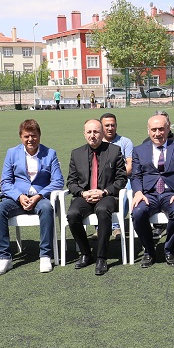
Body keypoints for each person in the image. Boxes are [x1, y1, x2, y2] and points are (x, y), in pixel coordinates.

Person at [0, 119, 63, 275]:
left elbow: (58, 181)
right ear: (21, 137)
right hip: (17, 199)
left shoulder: (50, 153)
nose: (30, 139)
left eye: (34, 135)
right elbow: (5, 182)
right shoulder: (12, 153)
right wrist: (19, 197)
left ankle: (45, 255)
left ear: (39, 135)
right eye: (26, 136)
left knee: (46, 208)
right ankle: (4, 257)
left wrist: (39, 196)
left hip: (40, 198)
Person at [128, 113, 174, 267]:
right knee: (137, 212)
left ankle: (169, 249)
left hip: (171, 193)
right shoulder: (139, 150)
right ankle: (149, 251)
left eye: (161, 129)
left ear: (168, 129)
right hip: (148, 194)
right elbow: (135, 176)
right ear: (148, 130)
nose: (158, 133)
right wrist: (138, 192)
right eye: (154, 129)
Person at [66, 118, 126, 275]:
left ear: (102, 133)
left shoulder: (114, 151)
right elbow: (71, 182)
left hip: (107, 195)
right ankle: (86, 253)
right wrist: (82, 193)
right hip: (84, 196)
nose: (92, 135)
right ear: (84, 134)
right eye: (89, 132)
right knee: (72, 214)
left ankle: (101, 257)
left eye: (96, 132)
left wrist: (104, 192)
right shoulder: (76, 153)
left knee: (103, 210)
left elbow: (121, 179)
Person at [100, 112, 135, 176]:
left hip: (122, 178)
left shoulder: (126, 142)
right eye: (107, 125)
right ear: (101, 126)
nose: (110, 128)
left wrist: (118, 178)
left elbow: (130, 165)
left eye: (113, 125)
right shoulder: (97, 143)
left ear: (116, 126)